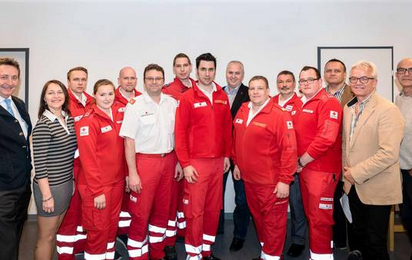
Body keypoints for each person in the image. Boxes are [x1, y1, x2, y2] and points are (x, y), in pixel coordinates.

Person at [343, 61, 404, 260]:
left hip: (377, 186)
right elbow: (347, 144)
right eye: (353, 78)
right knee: (358, 240)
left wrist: (355, 173)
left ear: (374, 82)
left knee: (375, 244)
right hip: (352, 186)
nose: (358, 82)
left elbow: (388, 153)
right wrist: (347, 176)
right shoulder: (348, 107)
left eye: (364, 78)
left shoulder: (388, 109)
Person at [232, 75, 297, 260]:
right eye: (252, 88)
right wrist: (237, 162)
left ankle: (272, 256)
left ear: (268, 91)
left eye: (260, 88)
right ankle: (267, 254)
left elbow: (289, 149)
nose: (255, 92)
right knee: (260, 220)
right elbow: (237, 138)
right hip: (249, 180)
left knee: (273, 224)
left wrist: (285, 180)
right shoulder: (244, 109)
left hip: (271, 183)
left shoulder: (279, 115)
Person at [175, 53, 232, 260]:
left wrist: (227, 154)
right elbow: (180, 133)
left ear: (215, 71)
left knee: (213, 209)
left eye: (210, 69)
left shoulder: (221, 96)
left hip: (218, 163)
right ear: (196, 71)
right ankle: (193, 253)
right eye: (203, 69)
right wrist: (186, 164)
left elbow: (227, 128)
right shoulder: (188, 97)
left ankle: (206, 250)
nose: (207, 74)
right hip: (196, 163)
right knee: (195, 211)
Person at [120, 64, 179, 260]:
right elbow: (129, 140)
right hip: (145, 163)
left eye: (158, 78)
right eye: (150, 78)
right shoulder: (135, 105)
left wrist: (179, 162)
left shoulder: (172, 103)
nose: (154, 82)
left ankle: (157, 253)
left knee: (163, 212)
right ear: (144, 82)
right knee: (140, 214)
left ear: (163, 81)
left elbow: (178, 136)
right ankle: (138, 256)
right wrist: (132, 173)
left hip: (168, 161)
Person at [294, 66, 343, 260]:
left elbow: (326, 138)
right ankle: (318, 254)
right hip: (305, 170)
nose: (305, 83)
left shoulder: (328, 103)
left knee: (320, 220)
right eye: (302, 80)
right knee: (311, 217)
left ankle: (322, 256)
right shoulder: (300, 103)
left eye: (310, 80)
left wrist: (301, 160)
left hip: (321, 171)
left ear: (320, 82)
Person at [76, 79, 124, 260]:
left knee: (111, 228)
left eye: (110, 94)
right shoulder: (88, 122)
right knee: (98, 231)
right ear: (94, 95)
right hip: (97, 187)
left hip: (116, 182)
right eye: (102, 94)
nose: (107, 98)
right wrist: (97, 192)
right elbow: (88, 161)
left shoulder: (118, 116)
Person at [32, 80, 77, 260]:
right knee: (46, 236)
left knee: (55, 232)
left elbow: (71, 156)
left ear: (65, 95)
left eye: (59, 92)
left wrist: (72, 180)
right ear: (44, 98)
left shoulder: (68, 119)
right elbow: (40, 165)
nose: (56, 96)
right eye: (51, 93)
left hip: (65, 184)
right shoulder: (43, 124)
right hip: (50, 188)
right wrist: (47, 195)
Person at [57, 66, 94, 260]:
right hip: (70, 164)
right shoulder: (62, 102)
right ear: (68, 81)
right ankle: (65, 254)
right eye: (76, 79)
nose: (80, 82)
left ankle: (79, 247)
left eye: (83, 79)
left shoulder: (92, 101)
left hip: (88, 164)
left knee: (84, 208)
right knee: (70, 210)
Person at [162, 53, 196, 260]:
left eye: (185, 65)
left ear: (191, 67)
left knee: (190, 201)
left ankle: (187, 235)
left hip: (197, 155)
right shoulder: (167, 91)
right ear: (174, 69)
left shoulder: (201, 87)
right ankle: (169, 241)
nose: (182, 69)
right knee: (171, 202)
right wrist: (177, 159)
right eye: (178, 66)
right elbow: (169, 129)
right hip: (177, 154)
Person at [0, 57, 32, 260]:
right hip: (3, 188)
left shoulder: (18, 104)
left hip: (22, 185)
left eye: (14, 78)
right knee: (5, 242)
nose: (9, 82)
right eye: (3, 77)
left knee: (15, 237)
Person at [218, 60, 250, 252]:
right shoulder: (218, 93)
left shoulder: (250, 93)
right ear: (225, 74)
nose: (233, 76)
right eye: (230, 72)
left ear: (243, 75)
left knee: (241, 198)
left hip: (239, 154)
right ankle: (217, 230)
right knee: (216, 196)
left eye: (237, 73)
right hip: (220, 153)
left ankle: (239, 235)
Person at [273, 70, 306, 257]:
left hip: (293, 164)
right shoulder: (270, 102)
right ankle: (276, 239)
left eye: (288, 81)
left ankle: (298, 239)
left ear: (294, 84)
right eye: (280, 82)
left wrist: (299, 160)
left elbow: (302, 135)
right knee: (275, 205)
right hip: (272, 165)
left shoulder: (301, 103)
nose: (284, 85)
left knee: (296, 203)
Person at [324, 58, 355, 250]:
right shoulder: (319, 94)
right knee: (332, 201)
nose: (333, 73)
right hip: (326, 157)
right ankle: (338, 240)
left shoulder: (355, 93)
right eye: (329, 70)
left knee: (350, 201)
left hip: (349, 155)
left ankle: (354, 244)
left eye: (337, 70)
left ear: (344, 74)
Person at [114, 67, 141, 238]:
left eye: (132, 78)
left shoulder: (142, 99)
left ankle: (133, 233)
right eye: (126, 78)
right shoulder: (110, 100)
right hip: (117, 161)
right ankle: (121, 235)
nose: (129, 81)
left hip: (140, 159)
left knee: (138, 203)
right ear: (119, 80)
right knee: (120, 204)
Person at [395, 57, 412, 260]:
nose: (406, 73)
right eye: (402, 70)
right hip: (402, 169)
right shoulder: (400, 98)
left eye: (410, 69)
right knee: (407, 216)